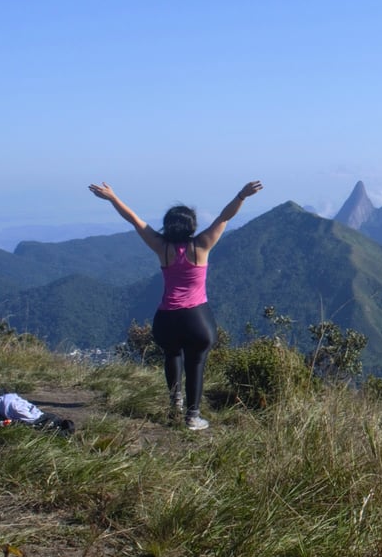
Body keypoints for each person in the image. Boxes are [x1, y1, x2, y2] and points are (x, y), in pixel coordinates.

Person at [88, 180, 263, 430]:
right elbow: (224, 218)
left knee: (172, 356)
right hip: (196, 318)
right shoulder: (201, 245)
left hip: (166, 319)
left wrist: (113, 198)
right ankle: (193, 417)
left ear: (168, 225)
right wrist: (241, 196)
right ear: (191, 225)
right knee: (196, 363)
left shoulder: (162, 247)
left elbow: (135, 221)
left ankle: (175, 404)